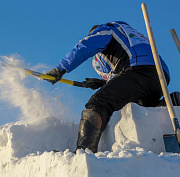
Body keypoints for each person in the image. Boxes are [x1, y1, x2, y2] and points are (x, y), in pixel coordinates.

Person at [45, 21, 171, 153]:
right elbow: (120, 81)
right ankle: (172, 101)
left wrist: (60, 69)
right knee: (140, 107)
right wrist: (101, 83)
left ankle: (83, 152)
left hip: (138, 69)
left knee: (98, 103)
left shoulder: (106, 30)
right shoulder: (129, 35)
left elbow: (86, 46)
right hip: (160, 77)